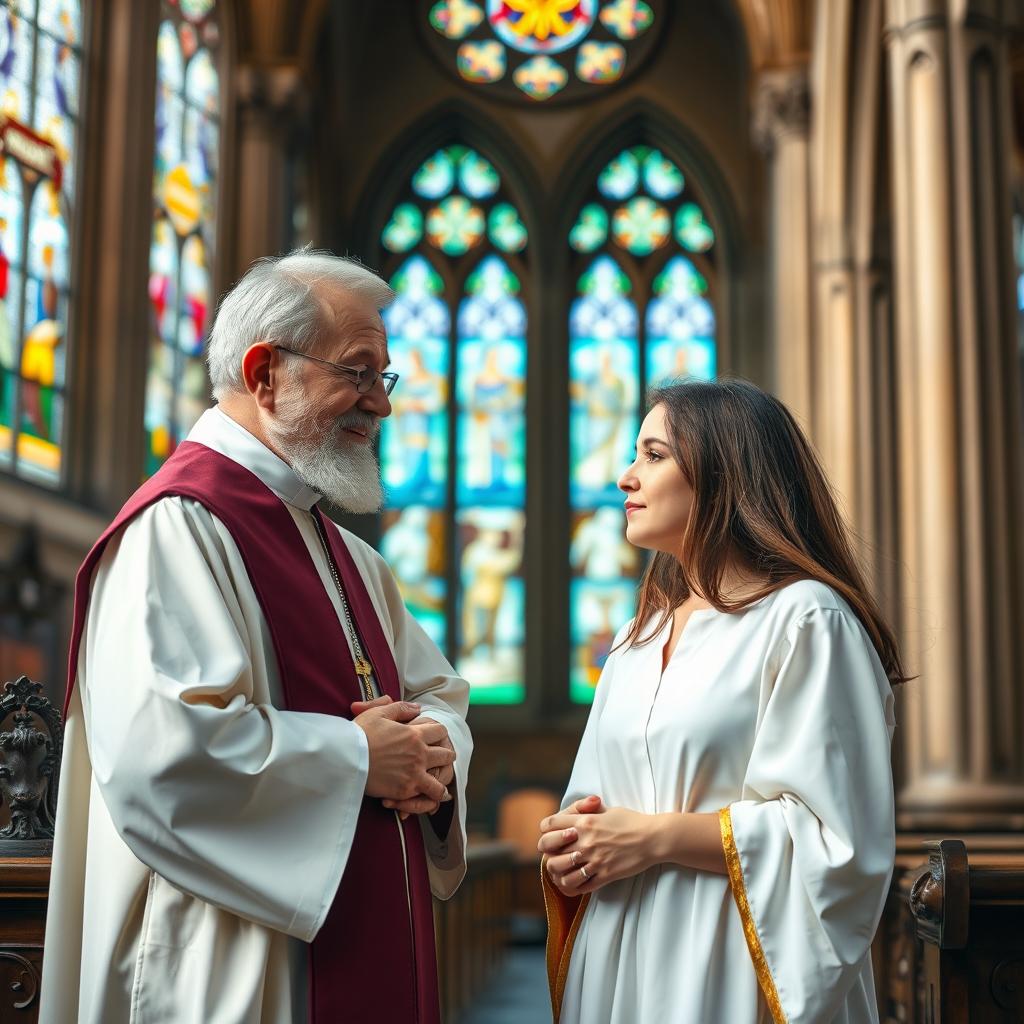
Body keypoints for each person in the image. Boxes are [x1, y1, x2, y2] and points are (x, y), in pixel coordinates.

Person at [40, 249, 473, 1024]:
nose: (381, 404)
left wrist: (433, 749)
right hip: (233, 965)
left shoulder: (351, 559)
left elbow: (436, 696)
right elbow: (163, 755)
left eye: (385, 377)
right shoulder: (176, 530)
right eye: (359, 372)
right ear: (265, 372)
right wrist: (359, 759)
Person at [540, 378, 902, 1024]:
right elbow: (597, 798)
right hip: (619, 953)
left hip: (732, 956)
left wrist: (656, 839)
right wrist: (576, 842)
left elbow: (834, 840)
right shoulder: (636, 637)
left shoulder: (805, 620)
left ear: (723, 473)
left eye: (654, 455)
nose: (627, 477)